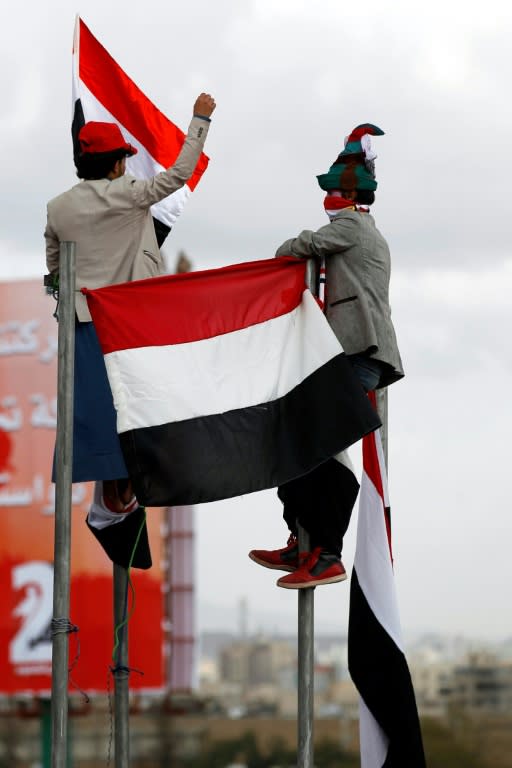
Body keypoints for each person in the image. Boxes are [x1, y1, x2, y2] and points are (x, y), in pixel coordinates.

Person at [45, 92, 216, 569]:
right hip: (129, 326)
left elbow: (54, 271)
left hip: (81, 325)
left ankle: (111, 506)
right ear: (117, 164)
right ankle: (111, 509)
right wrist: (199, 120)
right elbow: (181, 173)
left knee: (105, 426)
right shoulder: (129, 193)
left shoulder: (58, 208)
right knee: (134, 419)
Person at [249, 123, 403, 589]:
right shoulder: (361, 226)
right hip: (350, 353)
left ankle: (327, 552)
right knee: (301, 444)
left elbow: (296, 247)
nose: (328, 197)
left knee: (323, 450)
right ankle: (303, 539)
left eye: (332, 189)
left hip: (359, 351)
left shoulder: (352, 227)